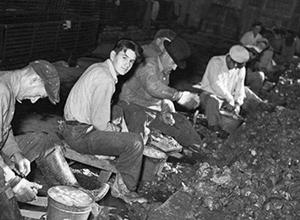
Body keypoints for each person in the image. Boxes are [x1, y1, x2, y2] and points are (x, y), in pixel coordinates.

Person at [0, 60, 109, 220]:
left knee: (44, 141)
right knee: (9, 204)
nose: (34, 100)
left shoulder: (8, 88)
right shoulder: (1, 93)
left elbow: (5, 129)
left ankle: (76, 192)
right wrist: (15, 182)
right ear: (34, 80)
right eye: (39, 95)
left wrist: (16, 153)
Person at [60, 39, 147, 204]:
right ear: (113, 54)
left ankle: (115, 151)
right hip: (79, 135)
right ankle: (125, 189)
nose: (127, 65)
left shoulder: (99, 67)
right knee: (135, 143)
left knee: (118, 109)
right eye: (124, 58)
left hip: (72, 126)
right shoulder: (106, 79)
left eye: (131, 61)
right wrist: (116, 130)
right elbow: (100, 124)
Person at [117, 36, 202, 150]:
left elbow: (162, 95)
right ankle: (135, 152)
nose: (175, 67)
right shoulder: (148, 65)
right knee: (139, 119)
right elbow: (153, 87)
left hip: (149, 111)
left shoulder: (165, 72)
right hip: (129, 107)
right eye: (174, 62)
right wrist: (179, 96)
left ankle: (198, 151)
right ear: (166, 54)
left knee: (181, 121)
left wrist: (165, 110)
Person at [194, 45, 249, 134]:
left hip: (226, 100)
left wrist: (238, 103)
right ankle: (213, 128)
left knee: (241, 107)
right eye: (235, 65)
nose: (235, 68)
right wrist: (230, 99)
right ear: (229, 59)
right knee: (213, 101)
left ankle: (221, 126)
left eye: (238, 66)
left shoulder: (240, 69)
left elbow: (240, 88)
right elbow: (216, 84)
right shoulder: (216, 62)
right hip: (209, 95)